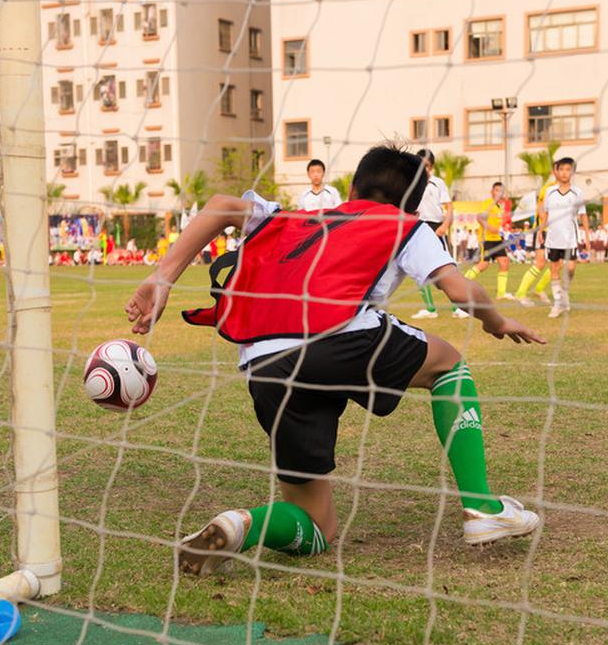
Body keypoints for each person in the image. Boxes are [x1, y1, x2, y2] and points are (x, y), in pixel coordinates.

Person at [124, 145, 543, 575]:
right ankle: (481, 507)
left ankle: (242, 525)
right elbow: (460, 291)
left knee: (317, 526)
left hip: (264, 360)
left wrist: (162, 277)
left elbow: (221, 206)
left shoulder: (294, 217)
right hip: (339, 339)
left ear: (352, 187)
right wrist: (497, 322)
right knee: (448, 364)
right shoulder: (405, 225)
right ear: (413, 205)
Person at [519, 157, 588, 318]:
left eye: (568, 169)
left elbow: (583, 215)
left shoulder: (578, 192)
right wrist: (541, 232)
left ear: (572, 172)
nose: (565, 173)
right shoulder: (549, 191)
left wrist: (587, 235)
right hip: (553, 237)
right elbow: (546, 215)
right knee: (554, 269)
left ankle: (564, 294)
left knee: (570, 268)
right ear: (557, 172)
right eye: (561, 169)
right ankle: (558, 303)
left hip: (570, 237)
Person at [410, 149, 467, 320]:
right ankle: (430, 309)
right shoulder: (411, 183)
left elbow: (449, 207)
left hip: (436, 227)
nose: (424, 170)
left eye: (426, 166)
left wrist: (445, 225)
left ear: (432, 167)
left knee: (447, 268)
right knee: (418, 269)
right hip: (418, 227)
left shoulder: (438, 183)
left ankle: (458, 308)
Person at [463, 182, 514, 299]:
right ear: (491, 192)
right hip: (488, 239)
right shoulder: (488, 203)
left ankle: (501, 294)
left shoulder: (498, 207)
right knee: (484, 264)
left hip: (497, 239)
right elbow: (479, 217)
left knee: (504, 263)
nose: (498, 193)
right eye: (496, 190)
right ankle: (462, 284)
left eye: (501, 191)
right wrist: (489, 227)